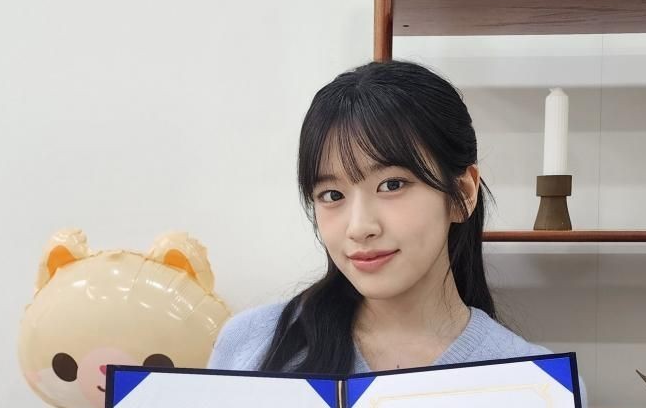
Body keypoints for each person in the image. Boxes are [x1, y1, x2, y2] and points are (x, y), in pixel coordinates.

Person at [208, 60, 587, 404]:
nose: (360, 227)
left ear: (462, 193)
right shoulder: (251, 345)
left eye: (392, 185)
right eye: (332, 195)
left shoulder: (535, 388)